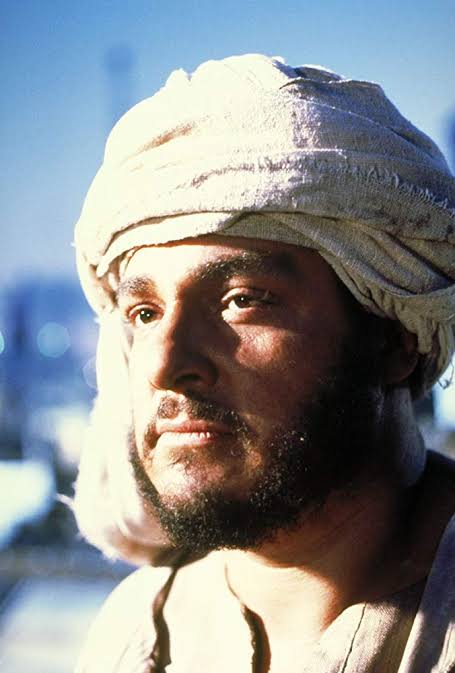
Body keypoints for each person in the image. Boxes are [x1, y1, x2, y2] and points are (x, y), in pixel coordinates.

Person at [73, 54, 455, 673]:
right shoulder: (130, 635)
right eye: (144, 313)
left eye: (242, 300)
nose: (167, 364)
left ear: (393, 339)